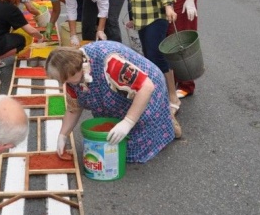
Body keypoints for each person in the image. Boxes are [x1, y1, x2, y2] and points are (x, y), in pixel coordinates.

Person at [46, 43, 180, 163]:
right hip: (120, 95)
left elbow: (146, 87)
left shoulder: (110, 63)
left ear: (75, 70)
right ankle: (162, 118)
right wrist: (63, 135)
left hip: (148, 87)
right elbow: (74, 108)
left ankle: (166, 120)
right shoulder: (72, 77)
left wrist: (128, 122)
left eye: (65, 79)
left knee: (132, 147)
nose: (64, 83)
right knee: (113, 139)